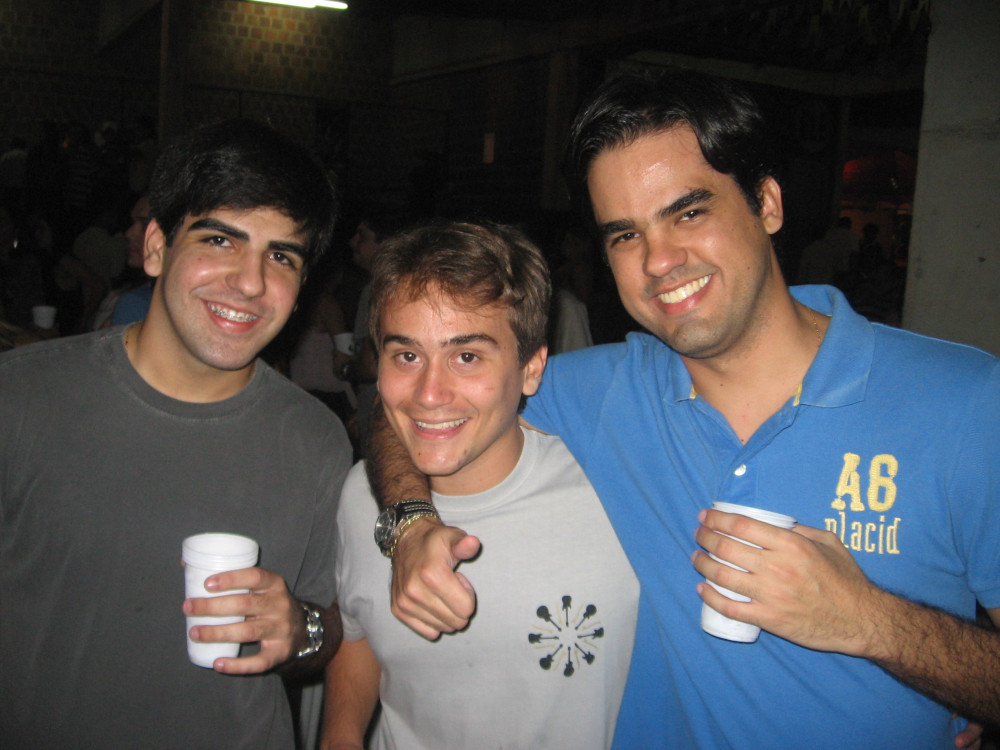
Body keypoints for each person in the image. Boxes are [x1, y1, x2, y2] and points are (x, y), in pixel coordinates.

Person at [369, 69, 1000, 748]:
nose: (659, 260)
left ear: (767, 203)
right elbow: (416, 403)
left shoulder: (965, 404)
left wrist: (869, 621)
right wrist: (409, 524)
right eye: (625, 235)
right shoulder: (608, 392)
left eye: (688, 213)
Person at [1, 118, 351, 748]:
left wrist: (301, 631)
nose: (251, 282)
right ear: (156, 247)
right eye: (220, 240)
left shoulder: (317, 439)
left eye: (281, 256)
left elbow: (328, 629)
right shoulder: (22, 398)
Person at [321, 221, 638, 749]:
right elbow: (360, 631)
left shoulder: (608, 493)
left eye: (466, 356)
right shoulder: (362, 492)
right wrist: (341, 736)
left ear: (532, 368)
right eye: (407, 356)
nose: (429, 393)